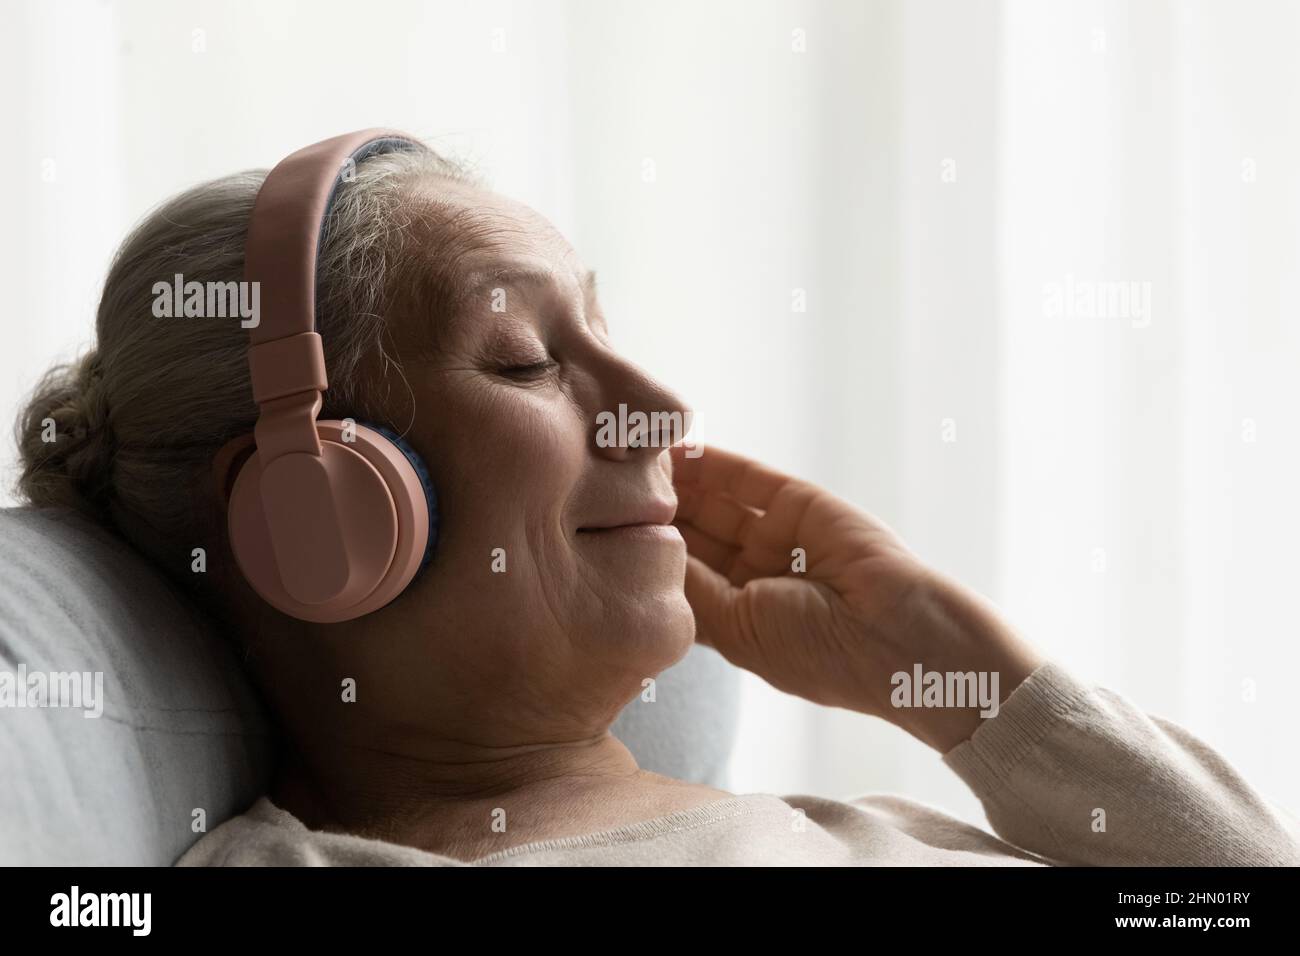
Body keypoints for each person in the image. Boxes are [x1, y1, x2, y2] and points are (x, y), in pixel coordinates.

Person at [16, 139, 1299, 866]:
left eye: (610, 332)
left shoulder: (851, 824)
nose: (662, 407)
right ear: (314, 510)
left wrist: (963, 685)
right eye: (524, 358)